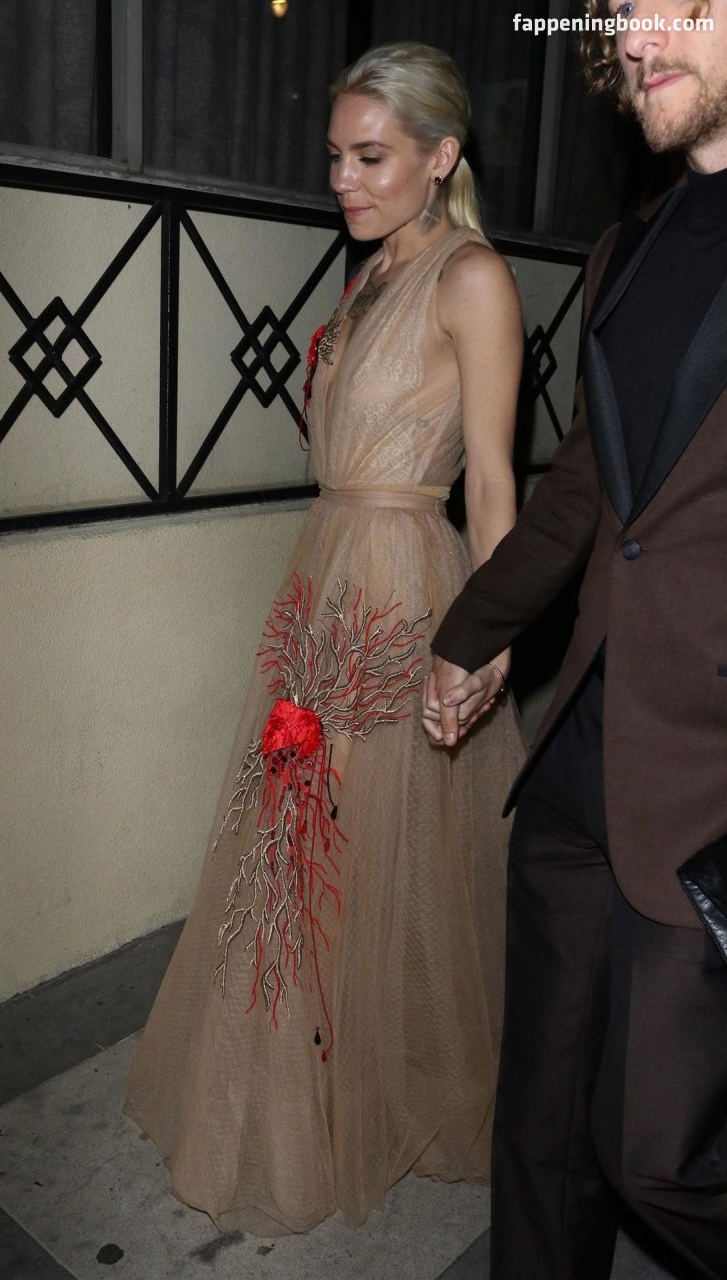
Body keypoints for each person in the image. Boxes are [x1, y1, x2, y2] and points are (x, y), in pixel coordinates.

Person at [124, 42, 525, 1235]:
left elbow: (492, 477)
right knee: (305, 836)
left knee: (341, 849)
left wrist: (488, 631)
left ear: (440, 157)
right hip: (329, 573)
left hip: (400, 590)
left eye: (369, 157)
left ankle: (333, 1099)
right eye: (336, 157)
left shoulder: (472, 278)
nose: (342, 180)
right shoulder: (371, 271)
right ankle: (298, 1085)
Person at [422, 2, 727, 1277]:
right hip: (577, 763)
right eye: (619, 13)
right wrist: (471, 631)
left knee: (655, 1149)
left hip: (707, 792)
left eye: (676, 5)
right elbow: (582, 495)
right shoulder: (626, 250)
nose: (634, 41)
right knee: (541, 1129)